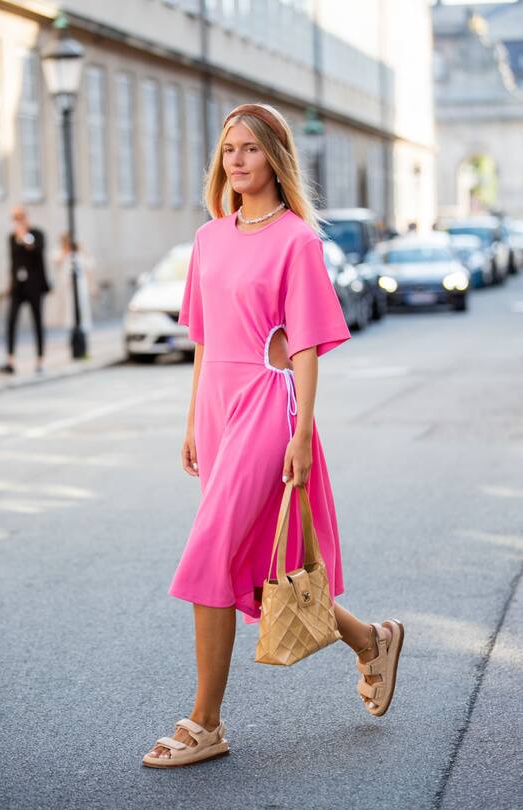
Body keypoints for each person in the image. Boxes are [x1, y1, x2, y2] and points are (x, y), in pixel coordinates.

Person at [142, 103, 405, 768]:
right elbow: (203, 338)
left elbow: (308, 348)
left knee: (208, 558)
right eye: (229, 149)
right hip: (218, 411)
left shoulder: (296, 241)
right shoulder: (208, 239)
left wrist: (301, 433)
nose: (237, 160)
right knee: (262, 567)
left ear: (275, 160)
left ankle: (204, 722)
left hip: (268, 405)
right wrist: (191, 418)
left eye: (250, 149)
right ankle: (372, 640)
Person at [0, 206, 51, 375]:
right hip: (17, 286)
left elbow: (37, 250)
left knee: (37, 322)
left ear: (25, 217)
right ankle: (10, 361)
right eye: (14, 218)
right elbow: (12, 262)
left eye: (19, 217)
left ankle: (40, 361)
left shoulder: (37, 233)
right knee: (11, 321)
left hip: (34, 286)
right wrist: (9, 284)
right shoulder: (12, 238)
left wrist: (25, 237)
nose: (17, 221)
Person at [51, 233, 96, 334]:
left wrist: (82, 250)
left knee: (83, 306)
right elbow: (56, 261)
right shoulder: (60, 251)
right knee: (69, 309)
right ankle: (72, 329)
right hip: (67, 286)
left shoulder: (78, 252)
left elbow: (89, 265)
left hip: (80, 283)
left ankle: (84, 329)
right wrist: (65, 251)